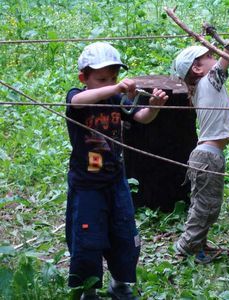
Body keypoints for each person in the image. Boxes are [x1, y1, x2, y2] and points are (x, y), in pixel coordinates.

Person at [65, 42, 168, 300]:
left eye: (113, 77)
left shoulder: (115, 99)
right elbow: (77, 102)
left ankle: (120, 283)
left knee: (125, 233)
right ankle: (87, 289)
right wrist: (116, 87)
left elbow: (140, 117)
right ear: (83, 78)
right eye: (101, 78)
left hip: (115, 180)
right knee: (87, 236)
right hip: (87, 184)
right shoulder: (77, 96)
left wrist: (154, 106)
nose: (109, 83)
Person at [172, 9, 229, 263]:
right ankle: (186, 248)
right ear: (198, 69)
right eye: (209, 56)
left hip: (208, 156)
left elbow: (219, 107)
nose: (215, 57)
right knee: (205, 207)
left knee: (207, 205)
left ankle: (198, 244)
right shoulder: (209, 80)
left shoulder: (203, 89)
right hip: (208, 158)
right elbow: (228, 53)